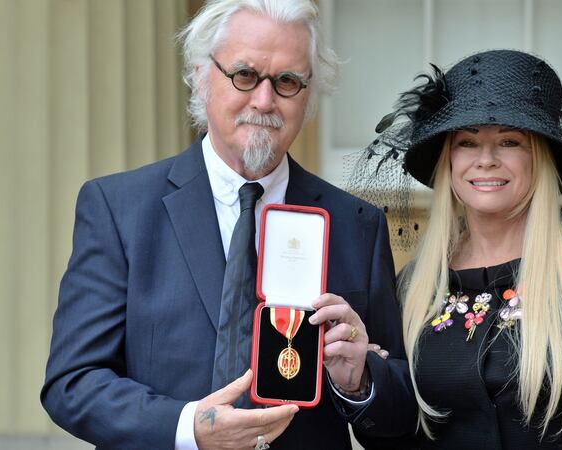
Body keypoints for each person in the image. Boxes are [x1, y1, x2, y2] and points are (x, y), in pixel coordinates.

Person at [41, 1, 414, 449]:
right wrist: (186, 428)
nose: (264, 100)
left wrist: (360, 381)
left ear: (308, 95)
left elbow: (399, 418)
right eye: (244, 75)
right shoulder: (119, 209)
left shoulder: (356, 224)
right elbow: (72, 384)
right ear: (201, 76)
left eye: (287, 82)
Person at [360, 49, 562, 449]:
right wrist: (360, 384)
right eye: (467, 142)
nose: (486, 160)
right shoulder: (414, 288)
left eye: (509, 141)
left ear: (540, 158)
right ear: (448, 161)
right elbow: (392, 430)